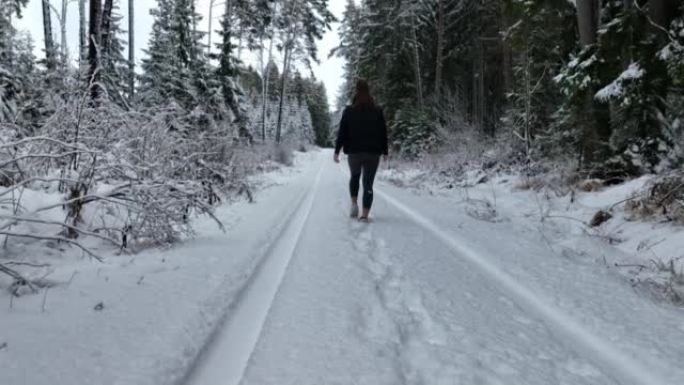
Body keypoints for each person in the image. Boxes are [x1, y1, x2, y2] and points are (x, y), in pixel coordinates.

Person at [334, 79, 388, 222]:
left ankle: (353, 204)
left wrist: (337, 151)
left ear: (356, 91)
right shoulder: (377, 111)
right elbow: (383, 132)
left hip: (354, 153)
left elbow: (342, 132)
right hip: (372, 153)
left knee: (355, 177)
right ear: (368, 91)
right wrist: (385, 152)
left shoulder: (349, 111)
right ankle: (364, 215)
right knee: (368, 183)